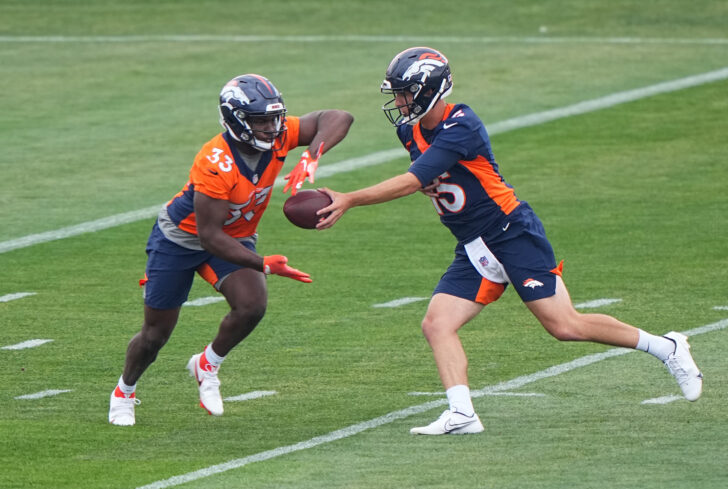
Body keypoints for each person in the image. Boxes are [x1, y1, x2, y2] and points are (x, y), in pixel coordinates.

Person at [316, 47, 703, 435]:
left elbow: (415, 180)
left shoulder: (462, 124)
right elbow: (436, 181)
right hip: (472, 243)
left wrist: (350, 199)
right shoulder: (409, 130)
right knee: (437, 324)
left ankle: (666, 347)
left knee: (564, 326)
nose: (398, 101)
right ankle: (462, 414)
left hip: (510, 231)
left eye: (404, 92)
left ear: (430, 89)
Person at [109, 74, 354, 426]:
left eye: (274, 118)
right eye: (261, 121)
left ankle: (207, 363)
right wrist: (262, 264)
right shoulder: (216, 161)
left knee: (252, 306)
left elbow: (338, 117)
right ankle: (124, 392)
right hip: (181, 238)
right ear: (236, 120)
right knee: (155, 334)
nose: (272, 128)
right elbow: (209, 236)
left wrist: (312, 155)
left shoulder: (279, 135)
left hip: (235, 235)